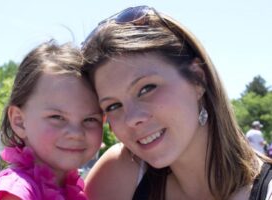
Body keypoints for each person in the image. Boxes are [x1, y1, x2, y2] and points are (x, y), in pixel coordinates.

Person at [81, 5, 272, 200]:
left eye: (146, 88)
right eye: (113, 106)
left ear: (198, 79)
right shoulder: (120, 175)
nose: (132, 119)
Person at [0, 40, 103, 200]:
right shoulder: (16, 192)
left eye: (90, 119)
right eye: (57, 117)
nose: (76, 133)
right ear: (19, 121)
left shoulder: (68, 187)